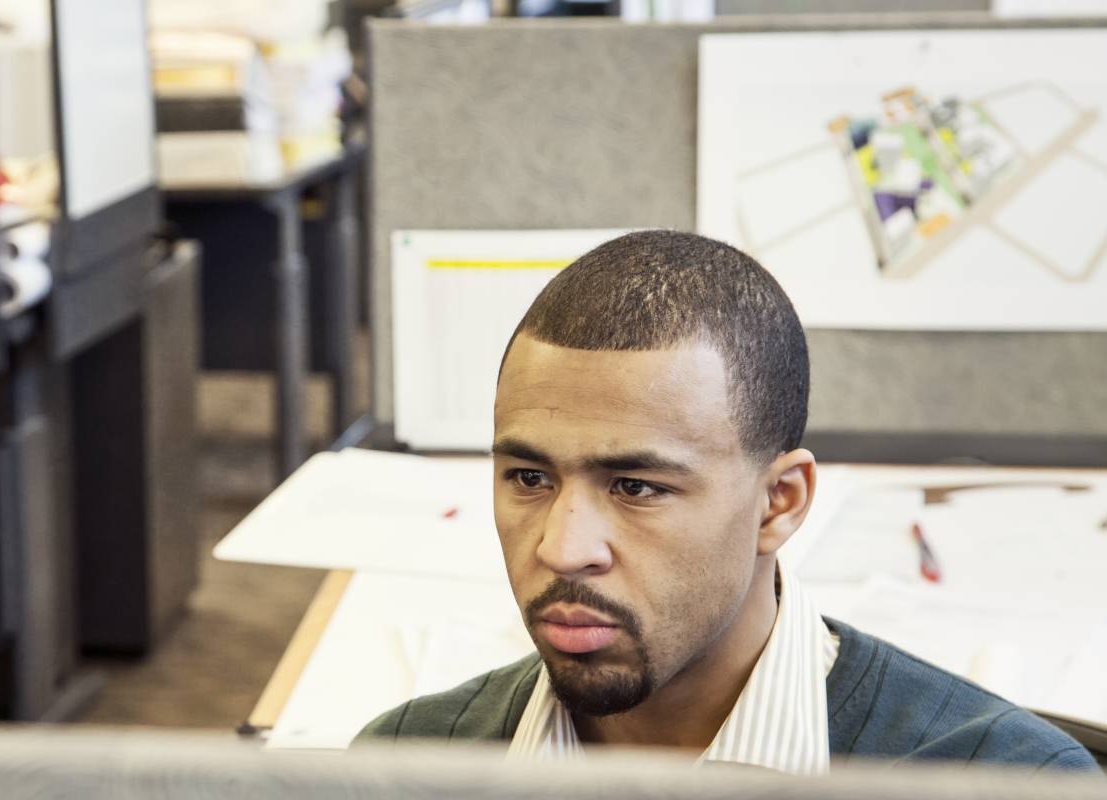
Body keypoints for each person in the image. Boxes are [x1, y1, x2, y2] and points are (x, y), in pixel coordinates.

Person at [356, 230, 1095, 774]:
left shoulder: (1003, 782)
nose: (562, 547)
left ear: (779, 503)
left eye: (636, 487)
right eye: (529, 478)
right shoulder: (400, 769)